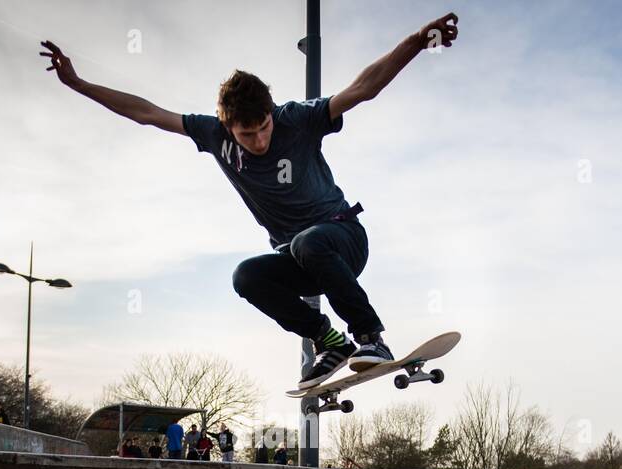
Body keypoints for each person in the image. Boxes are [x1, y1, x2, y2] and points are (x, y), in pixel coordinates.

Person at [39, 13, 460, 390]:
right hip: (301, 261)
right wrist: (78, 84)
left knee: (307, 242)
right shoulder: (212, 134)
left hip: (342, 239)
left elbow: (364, 88)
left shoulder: (299, 118)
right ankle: (329, 340)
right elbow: (146, 112)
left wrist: (418, 40)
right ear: (227, 127)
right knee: (246, 276)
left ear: (271, 112)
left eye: (263, 128)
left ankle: (371, 338)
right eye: (247, 135)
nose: (259, 141)